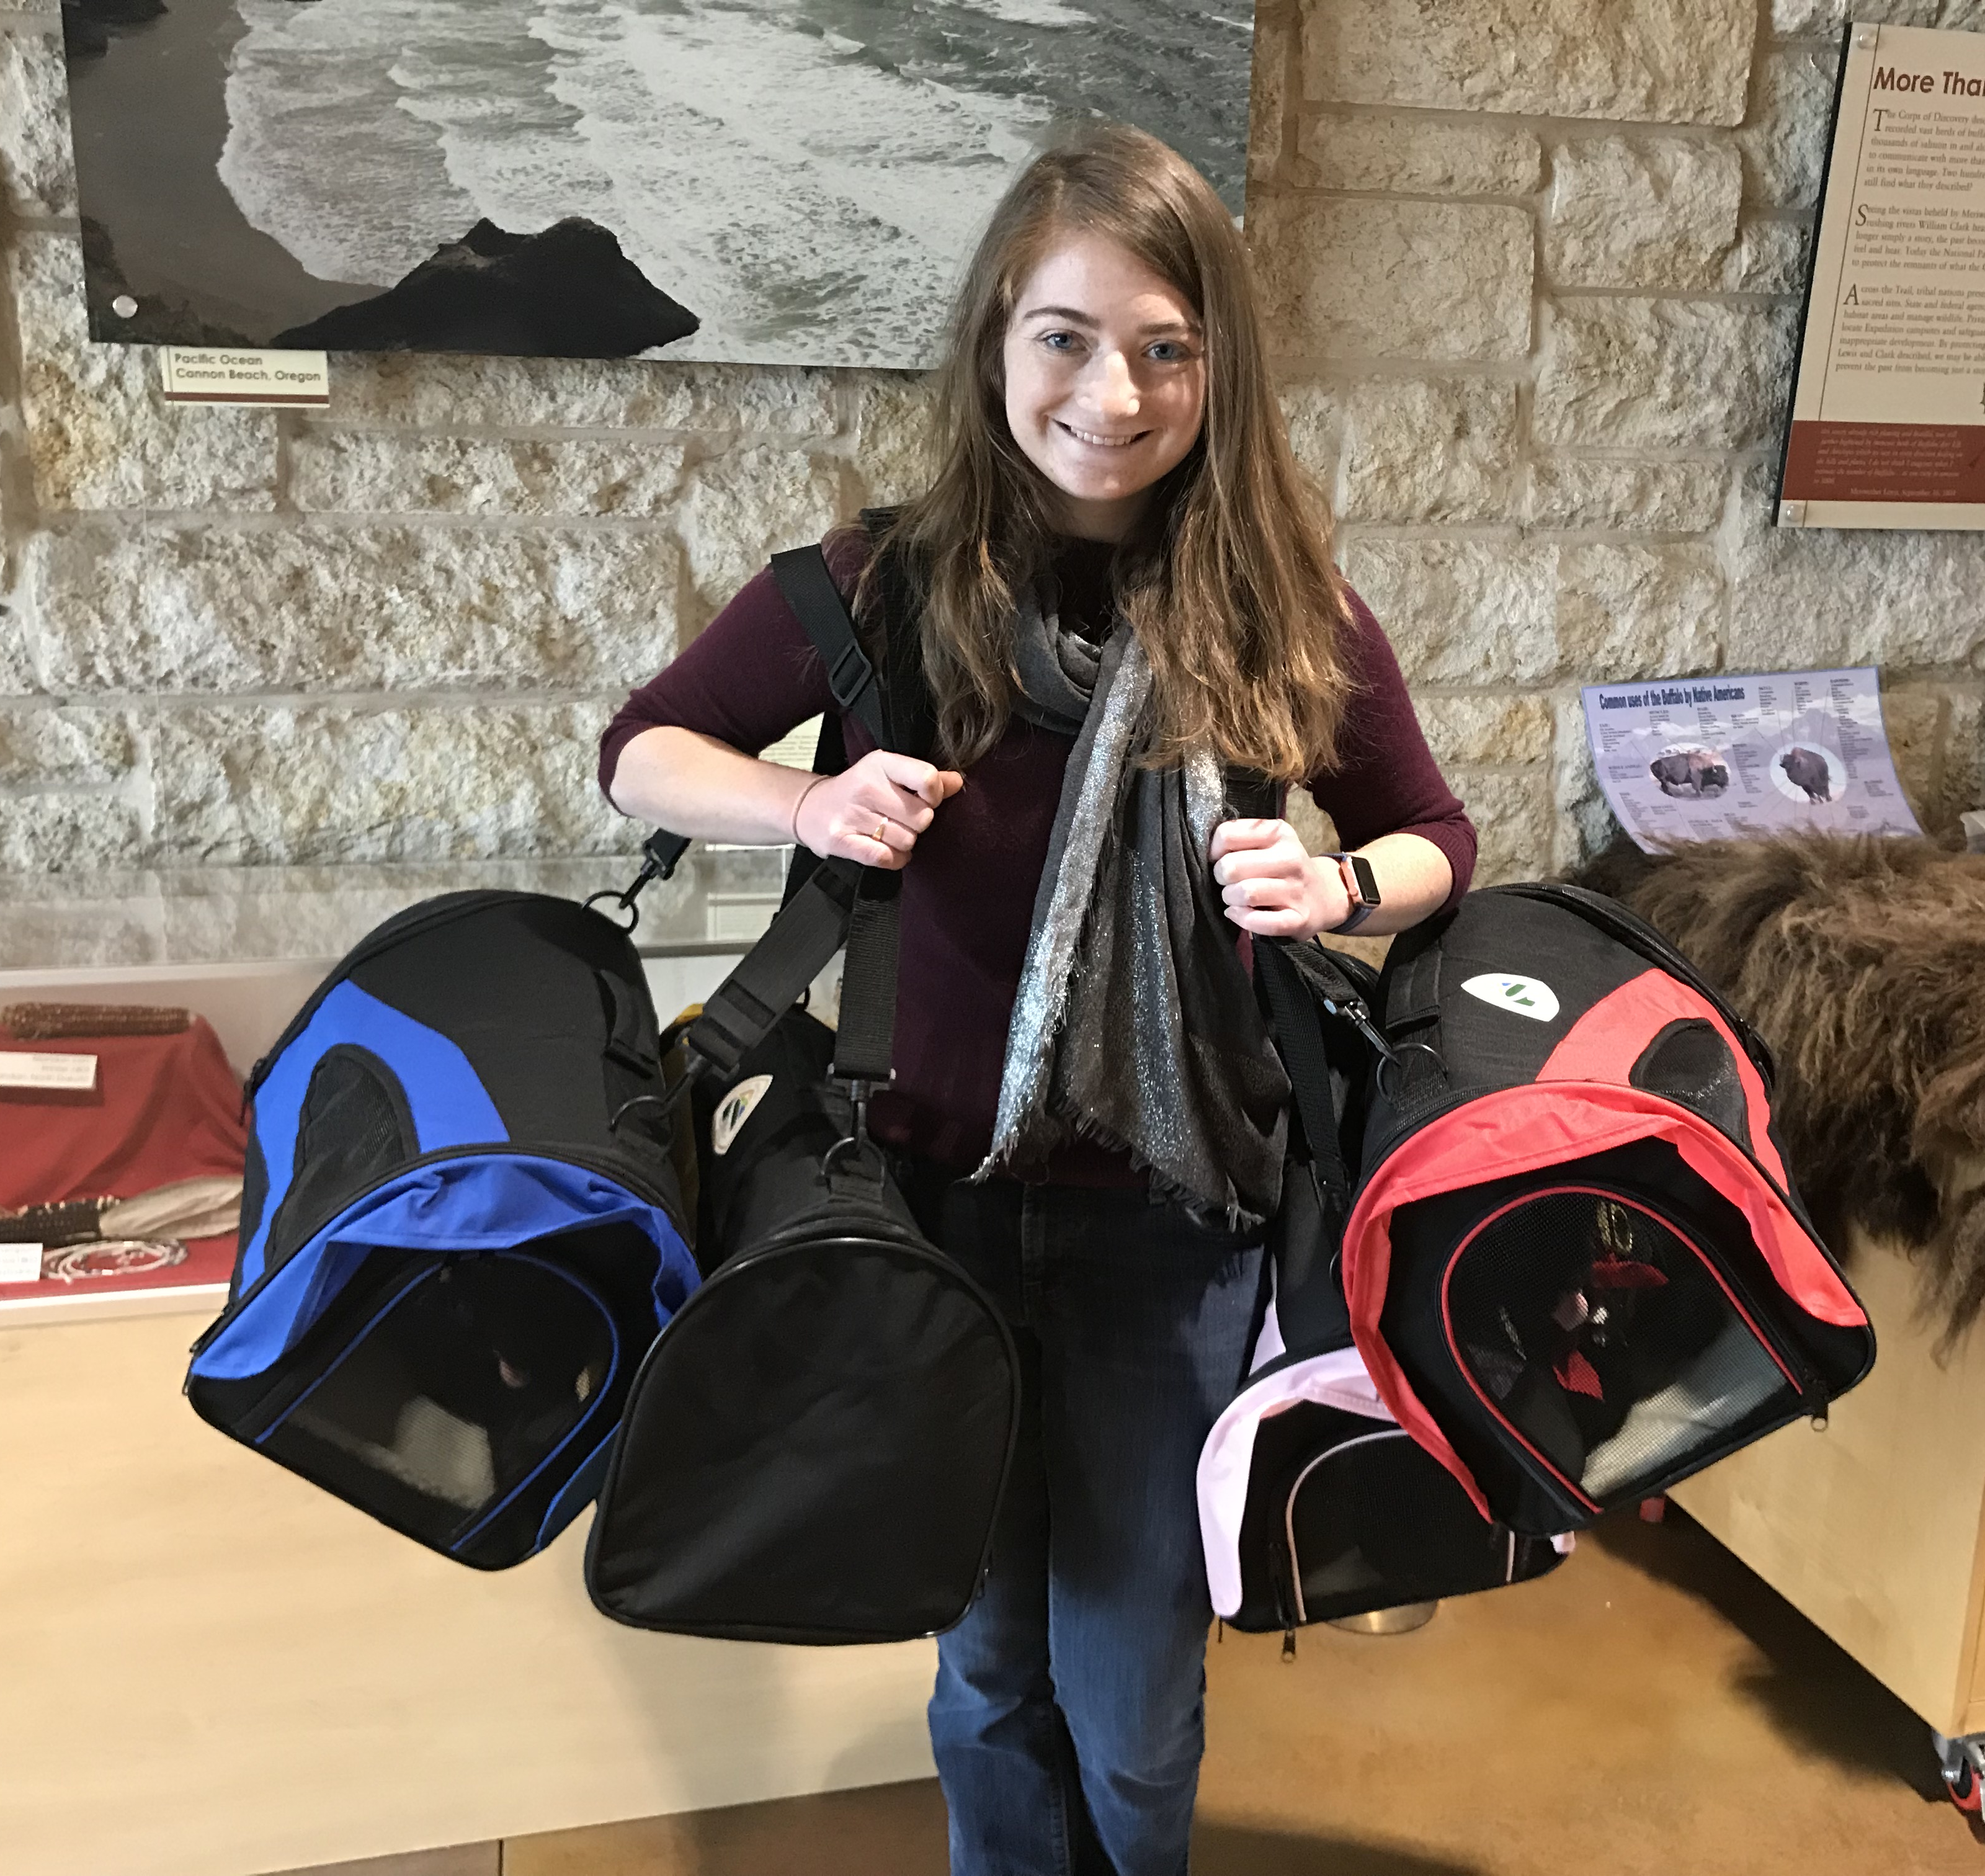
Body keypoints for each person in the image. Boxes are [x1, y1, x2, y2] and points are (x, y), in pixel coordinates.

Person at [602, 124, 1473, 1876]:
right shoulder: (877, 589)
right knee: (988, 1660)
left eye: (1166, 347)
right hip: (924, 1204)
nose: (1113, 393)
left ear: (1218, 366)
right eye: (1066, 338)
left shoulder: (1287, 610)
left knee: (1134, 1686)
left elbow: (1431, 833)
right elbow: (643, 753)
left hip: (1180, 1223)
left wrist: (1344, 889)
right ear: (998, 337)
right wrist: (804, 801)